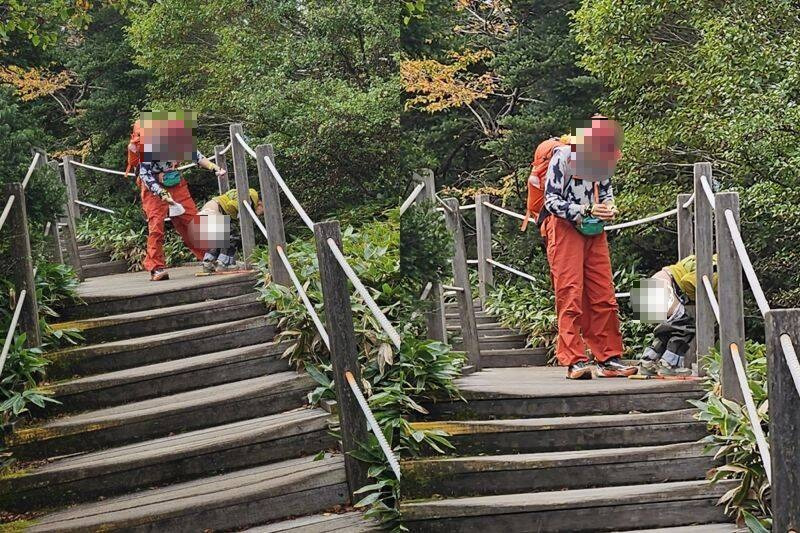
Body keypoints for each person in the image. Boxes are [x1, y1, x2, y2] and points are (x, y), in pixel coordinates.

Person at [540, 115, 636, 380]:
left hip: (594, 229)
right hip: (563, 227)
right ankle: (574, 360)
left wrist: (609, 208)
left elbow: (606, 193)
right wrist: (585, 209)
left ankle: (609, 358)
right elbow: (550, 201)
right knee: (570, 292)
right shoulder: (563, 156)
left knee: (603, 293)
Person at [133, 112, 227, 281]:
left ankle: (209, 257)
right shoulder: (147, 146)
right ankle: (156, 267)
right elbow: (145, 175)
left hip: (175, 181)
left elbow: (197, 157)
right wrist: (161, 193)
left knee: (191, 220)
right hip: (152, 187)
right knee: (156, 226)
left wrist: (214, 168)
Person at [638, 255, 717, 377]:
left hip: (648, 288)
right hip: (664, 288)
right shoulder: (715, 269)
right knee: (685, 328)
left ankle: (647, 361)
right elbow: (688, 281)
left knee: (668, 331)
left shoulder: (702, 259)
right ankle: (670, 364)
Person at [198, 188, 264, 273]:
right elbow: (231, 205)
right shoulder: (251, 196)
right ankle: (223, 263)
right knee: (233, 237)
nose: (262, 214)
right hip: (214, 211)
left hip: (204, 212)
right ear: (260, 203)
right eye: (263, 210)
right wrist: (240, 215)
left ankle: (207, 263)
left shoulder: (246, 194)